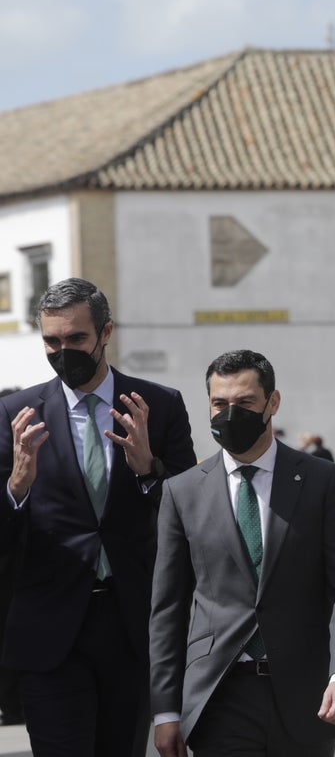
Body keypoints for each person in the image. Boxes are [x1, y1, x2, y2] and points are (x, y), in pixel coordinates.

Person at [0, 277, 196, 756]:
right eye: (52, 340)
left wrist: (149, 470)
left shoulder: (159, 406)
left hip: (132, 626)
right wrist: (16, 487)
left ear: (105, 332)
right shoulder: (14, 413)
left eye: (76, 338)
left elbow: (192, 508)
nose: (63, 350)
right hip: (50, 630)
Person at [150, 349, 335, 757]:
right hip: (219, 692)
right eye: (220, 404)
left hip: (308, 696)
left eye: (245, 403)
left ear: (272, 403)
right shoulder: (182, 492)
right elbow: (168, 607)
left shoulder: (320, 481)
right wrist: (165, 710)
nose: (230, 414)